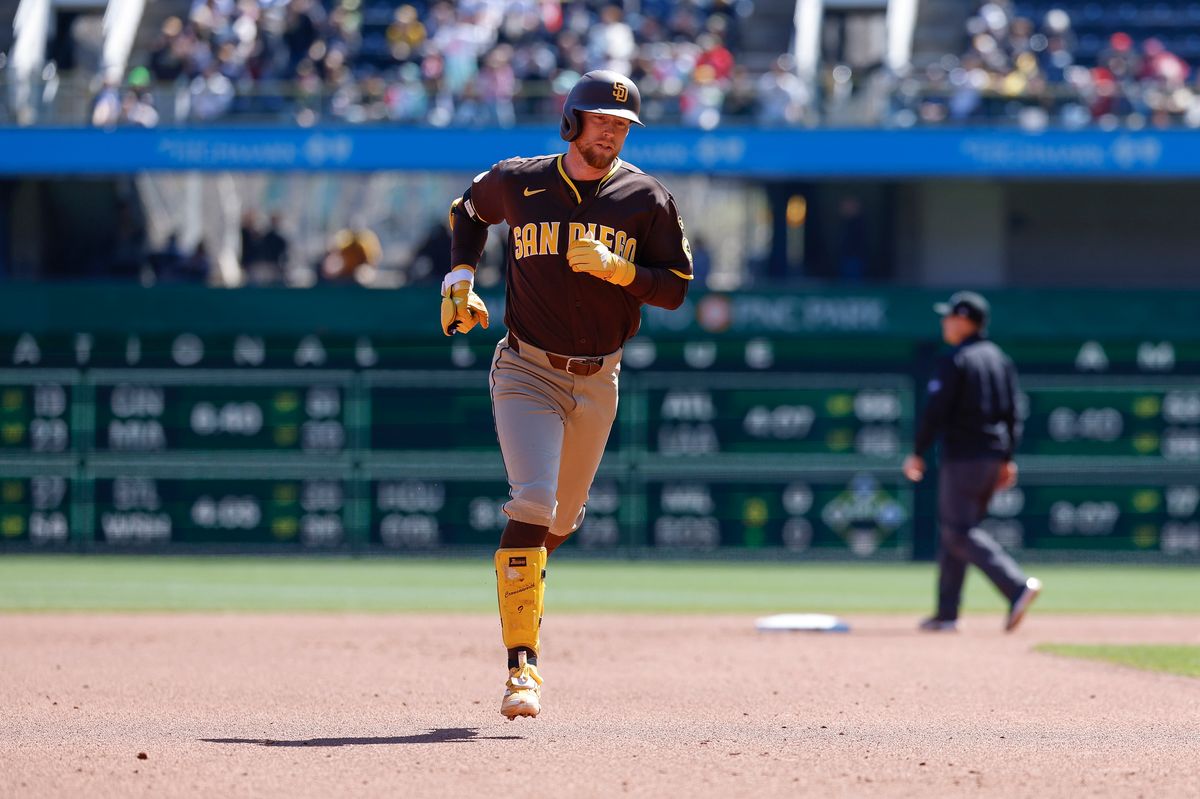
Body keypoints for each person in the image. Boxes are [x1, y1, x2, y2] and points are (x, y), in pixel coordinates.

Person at [442, 70, 693, 719]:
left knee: (559, 521)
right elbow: (467, 212)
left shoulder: (645, 197)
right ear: (571, 121)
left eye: (621, 124)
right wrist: (461, 275)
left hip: (598, 378)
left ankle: (519, 580)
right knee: (532, 499)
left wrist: (623, 270)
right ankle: (521, 663)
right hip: (527, 368)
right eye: (600, 119)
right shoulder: (521, 181)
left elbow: (676, 287)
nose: (611, 131)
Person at [902, 291, 1041, 633]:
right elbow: (1014, 414)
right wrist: (1008, 458)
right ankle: (946, 613)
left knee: (958, 531)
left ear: (965, 320)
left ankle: (1015, 586)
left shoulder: (956, 359)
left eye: (950, 316)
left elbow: (935, 410)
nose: (944, 322)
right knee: (955, 531)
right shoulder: (999, 359)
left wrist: (918, 450)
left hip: (965, 455)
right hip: (992, 456)